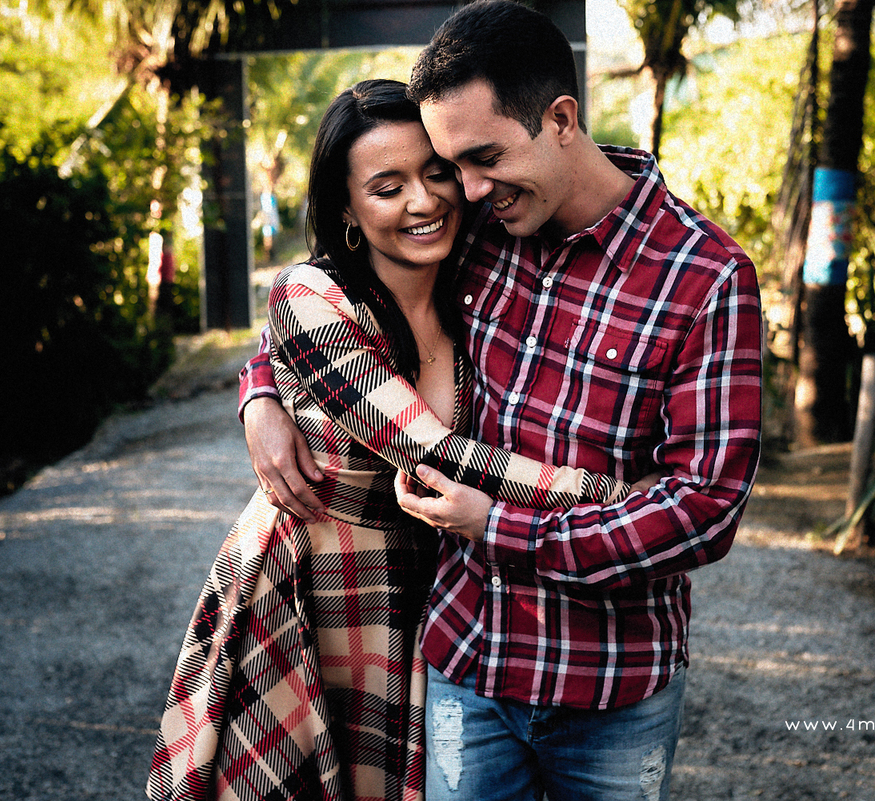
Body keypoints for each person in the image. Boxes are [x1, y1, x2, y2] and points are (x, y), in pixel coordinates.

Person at [241, 2, 764, 798]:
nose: (467, 191)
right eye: (456, 165)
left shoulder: (705, 278)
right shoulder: (482, 229)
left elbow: (705, 508)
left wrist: (502, 525)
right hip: (464, 663)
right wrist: (259, 392)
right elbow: (339, 304)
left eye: (481, 158)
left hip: (612, 683)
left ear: (560, 119)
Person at [147, 79, 631, 801]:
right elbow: (432, 450)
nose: (423, 201)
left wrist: (258, 391)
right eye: (387, 185)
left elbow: (566, 173)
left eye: (436, 172)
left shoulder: (478, 272)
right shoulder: (313, 294)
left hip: (431, 583)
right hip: (313, 582)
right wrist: (605, 495)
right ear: (346, 206)